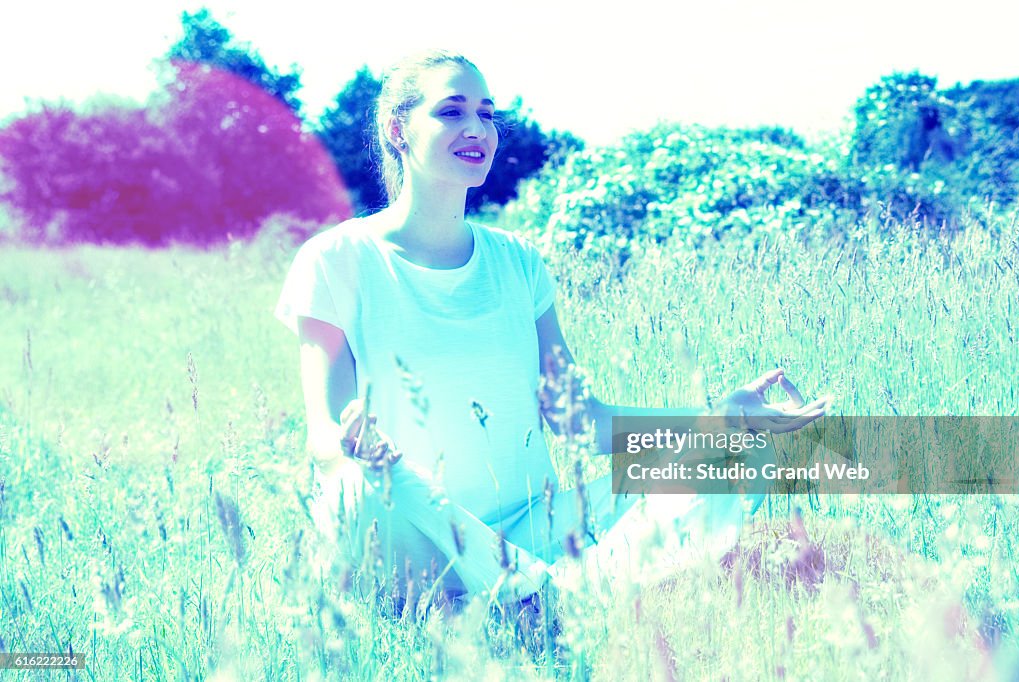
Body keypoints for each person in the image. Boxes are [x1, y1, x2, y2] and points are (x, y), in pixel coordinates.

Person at [275, 50, 827, 608]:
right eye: (452, 111)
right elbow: (324, 439)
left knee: (732, 457)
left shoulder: (518, 263)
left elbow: (580, 420)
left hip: (533, 530)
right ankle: (556, 595)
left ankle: (540, 596)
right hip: (418, 535)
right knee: (352, 484)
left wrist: (718, 421)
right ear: (399, 129)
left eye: (487, 114)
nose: (477, 129)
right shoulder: (336, 259)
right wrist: (362, 448)